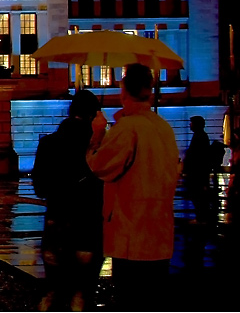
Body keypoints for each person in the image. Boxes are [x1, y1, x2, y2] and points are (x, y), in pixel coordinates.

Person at [86, 64, 179, 312]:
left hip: (131, 233)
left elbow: (100, 166)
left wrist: (97, 136)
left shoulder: (128, 129)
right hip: (160, 233)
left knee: (131, 300)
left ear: (123, 91)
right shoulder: (163, 128)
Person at [32, 89, 104, 312]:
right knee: (82, 292)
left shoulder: (48, 143)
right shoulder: (99, 146)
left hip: (56, 223)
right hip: (88, 226)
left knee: (54, 287)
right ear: (94, 115)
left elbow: (40, 188)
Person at [182, 115, 212, 225]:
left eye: (191, 123)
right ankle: (202, 217)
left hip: (197, 173)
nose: (190, 125)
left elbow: (196, 155)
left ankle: (201, 218)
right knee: (199, 196)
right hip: (199, 172)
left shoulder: (199, 136)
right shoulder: (201, 136)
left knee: (198, 196)